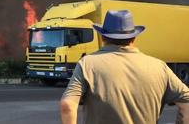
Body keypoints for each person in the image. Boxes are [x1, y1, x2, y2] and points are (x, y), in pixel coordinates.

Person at [60, 10, 189, 124]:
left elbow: (67, 105)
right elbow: (186, 101)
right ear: (134, 37)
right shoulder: (160, 67)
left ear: (103, 37)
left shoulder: (87, 64)